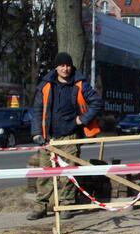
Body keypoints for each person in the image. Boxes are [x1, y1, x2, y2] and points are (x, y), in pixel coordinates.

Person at [26, 52, 102, 221]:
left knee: (67, 174)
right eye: (61, 66)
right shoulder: (45, 86)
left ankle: (66, 205)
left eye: (67, 65)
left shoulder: (80, 84)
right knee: (45, 174)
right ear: (56, 67)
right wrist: (37, 132)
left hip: (70, 137)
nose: (65, 69)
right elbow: (37, 110)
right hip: (49, 138)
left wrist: (82, 119)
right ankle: (40, 207)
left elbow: (97, 102)